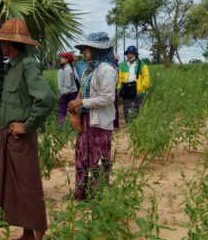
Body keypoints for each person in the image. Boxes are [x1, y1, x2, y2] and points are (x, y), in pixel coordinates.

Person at [0, 18, 55, 240]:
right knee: (15, 188)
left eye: (3, 40)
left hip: (22, 140)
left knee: (28, 189)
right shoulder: (13, 65)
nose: (0, 44)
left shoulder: (27, 66)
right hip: (11, 137)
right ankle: (26, 237)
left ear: (9, 42)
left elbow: (45, 99)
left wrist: (26, 125)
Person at [68, 32, 118, 200]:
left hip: (99, 122)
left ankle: (98, 195)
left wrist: (83, 103)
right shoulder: (89, 69)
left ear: (97, 50)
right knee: (83, 155)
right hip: (86, 121)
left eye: (86, 49)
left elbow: (108, 97)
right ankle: (82, 192)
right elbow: (83, 92)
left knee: (98, 158)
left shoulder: (107, 70)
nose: (83, 53)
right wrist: (76, 103)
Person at [117, 46, 150, 123]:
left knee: (140, 112)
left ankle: (139, 127)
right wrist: (118, 89)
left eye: (131, 53)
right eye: (128, 53)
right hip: (126, 91)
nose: (129, 55)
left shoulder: (142, 64)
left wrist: (141, 87)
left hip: (138, 91)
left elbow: (146, 78)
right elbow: (120, 78)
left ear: (135, 54)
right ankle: (129, 126)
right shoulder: (123, 65)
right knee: (128, 112)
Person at [57, 52, 79, 127]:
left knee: (66, 109)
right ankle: (68, 125)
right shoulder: (67, 68)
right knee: (69, 109)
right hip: (69, 92)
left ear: (67, 59)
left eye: (62, 57)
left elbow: (67, 86)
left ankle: (62, 126)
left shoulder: (67, 69)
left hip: (69, 93)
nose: (61, 58)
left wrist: (62, 96)